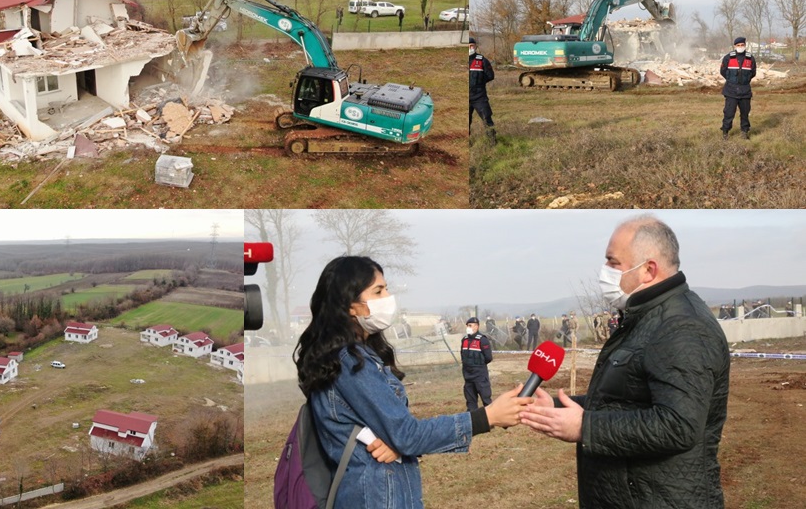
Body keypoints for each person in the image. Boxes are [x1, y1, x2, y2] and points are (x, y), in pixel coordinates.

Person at [520, 215, 731, 509]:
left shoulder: (682, 327)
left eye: (613, 262)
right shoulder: (645, 317)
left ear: (648, 269)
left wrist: (585, 427)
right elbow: (627, 400)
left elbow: (678, 425)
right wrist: (557, 410)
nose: (604, 272)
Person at [295, 256, 532, 508]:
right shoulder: (350, 362)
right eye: (379, 291)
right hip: (375, 499)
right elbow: (407, 434)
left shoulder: (356, 355)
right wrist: (487, 417)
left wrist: (397, 443)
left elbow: (398, 434)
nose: (388, 297)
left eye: (386, 288)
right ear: (351, 305)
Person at [720, 36, 757, 140]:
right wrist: (732, 81)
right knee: (729, 113)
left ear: (745, 45)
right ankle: (725, 133)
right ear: (734, 46)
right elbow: (723, 71)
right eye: (738, 45)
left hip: (745, 90)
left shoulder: (750, 58)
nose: (740, 47)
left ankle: (744, 133)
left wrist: (745, 81)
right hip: (731, 90)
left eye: (742, 45)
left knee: (745, 113)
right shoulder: (728, 57)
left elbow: (753, 72)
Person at [461, 316, 494, 410]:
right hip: (468, 376)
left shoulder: (482, 339)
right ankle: (472, 422)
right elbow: (463, 356)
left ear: (476, 326)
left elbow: (488, 357)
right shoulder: (464, 340)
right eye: (468, 325)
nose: (468, 327)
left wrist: (478, 365)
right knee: (471, 402)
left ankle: (489, 422)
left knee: (486, 400)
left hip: (480, 376)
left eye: (471, 325)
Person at [469, 36, 496, 143]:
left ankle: (493, 142)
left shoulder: (482, 60)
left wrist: (478, 83)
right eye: (468, 46)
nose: (470, 48)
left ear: (475, 47)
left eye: (472, 46)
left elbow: (490, 75)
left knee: (487, 119)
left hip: (479, 96)